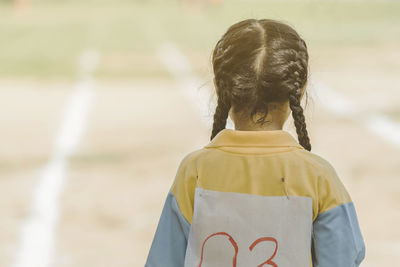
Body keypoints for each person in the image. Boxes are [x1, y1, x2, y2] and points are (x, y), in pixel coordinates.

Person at [145, 18, 365, 267]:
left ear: (220, 89)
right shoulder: (318, 176)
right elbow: (342, 259)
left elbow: (163, 261)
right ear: (300, 90)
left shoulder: (194, 172)